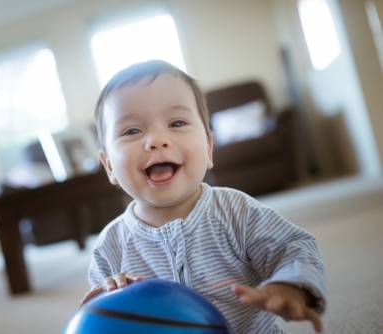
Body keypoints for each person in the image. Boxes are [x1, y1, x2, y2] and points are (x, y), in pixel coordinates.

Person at [80, 60, 326, 334]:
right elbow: (100, 317)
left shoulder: (236, 211)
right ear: (110, 166)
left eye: (177, 123)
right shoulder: (110, 246)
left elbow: (295, 248)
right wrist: (107, 295)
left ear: (208, 148)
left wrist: (289, 286)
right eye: (132, 131)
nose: (156, 140)